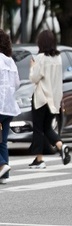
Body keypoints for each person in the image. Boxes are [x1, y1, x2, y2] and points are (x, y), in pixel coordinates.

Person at [29, 30, 71, 169]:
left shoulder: (40, 58)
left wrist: (32, 67)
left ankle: (39, 160)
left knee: (38, 128)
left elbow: (34, 78)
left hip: (41, 98)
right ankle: (61, 145)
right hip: (54, 99)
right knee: (47, 127)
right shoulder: (58, 58)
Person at [0, 29, 21, 184]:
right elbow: (17, 84)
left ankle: (1, 166)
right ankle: (4, 175)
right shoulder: (10, 61)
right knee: (3, 141)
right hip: (9, 107)